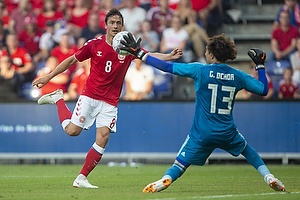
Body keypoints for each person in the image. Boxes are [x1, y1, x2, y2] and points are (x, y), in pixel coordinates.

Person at [32, 8, 182, 189]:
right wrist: (48, 77)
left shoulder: (128, 45)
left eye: (119, 23)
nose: (115, 26)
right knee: (72, 131)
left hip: (110, 101)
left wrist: (168, 56)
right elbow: (72, 60)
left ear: (122, 25)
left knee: (103, 138)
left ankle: (81, 178)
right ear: (106, 26)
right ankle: (58, 99)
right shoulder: (94, 44)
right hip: (90, 95)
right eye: (112, 23)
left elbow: (147, 56)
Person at [120, 33, 286, 192]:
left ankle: (168, 178)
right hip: (227, 131)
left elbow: (167, 67)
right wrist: (260, 67)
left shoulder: (200, 70)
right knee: (247, 150)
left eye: (207, 51)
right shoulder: (238, 76)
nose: (205, 53)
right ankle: (268, 176)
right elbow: (263, 90)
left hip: (202, 132)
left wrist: (140, 54)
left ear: (212, 55)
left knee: (179, 164)